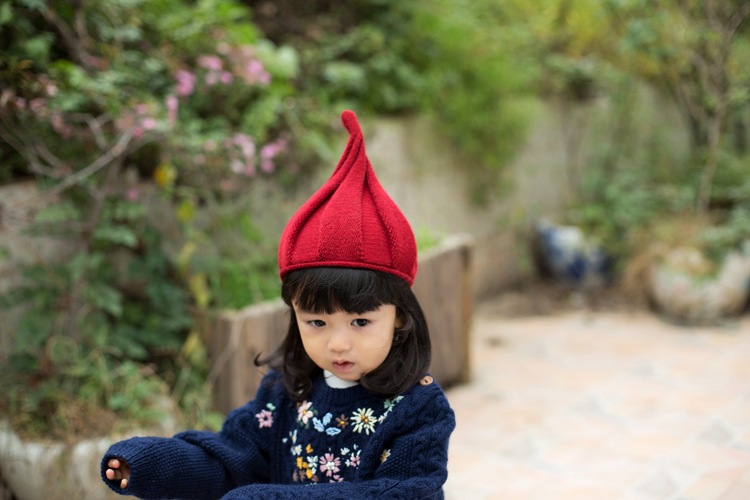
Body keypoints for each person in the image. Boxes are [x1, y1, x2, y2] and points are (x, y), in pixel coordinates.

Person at [101, 110, 456, 499]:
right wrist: (152, 463)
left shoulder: (419, 408)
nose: (338, 343)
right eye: (317, 323)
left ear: (400, 317)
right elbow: (234, 460)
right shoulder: (287, 392)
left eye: (359, 322)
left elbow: (405, 493)